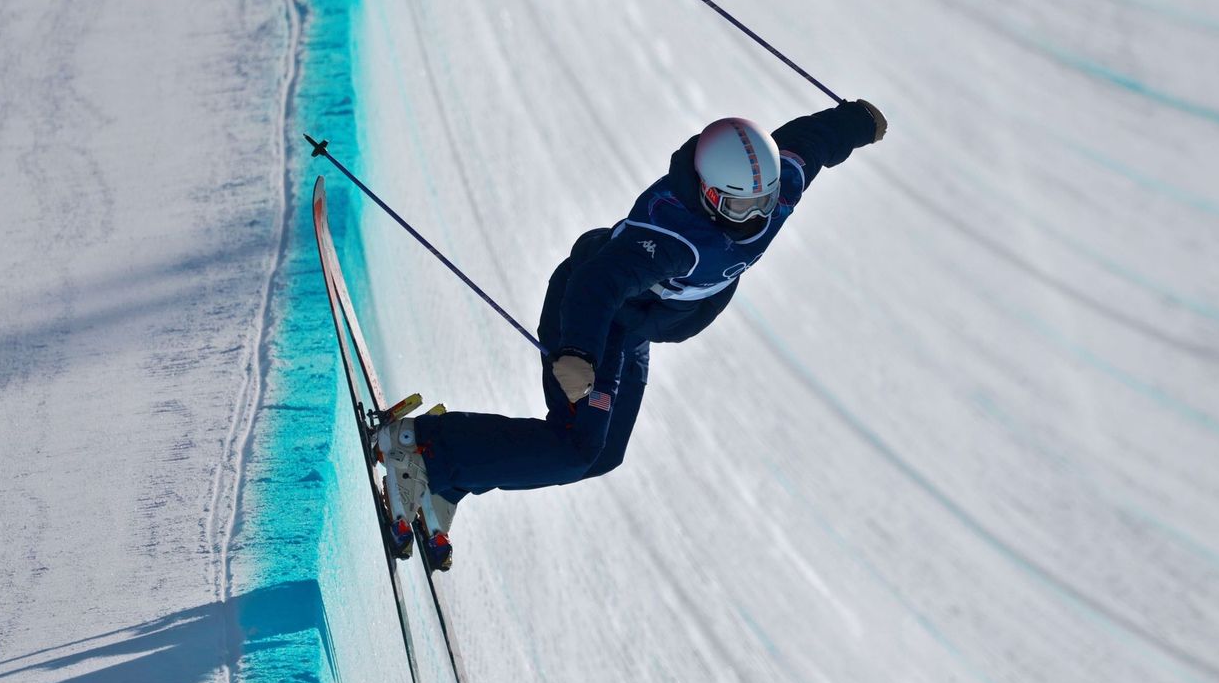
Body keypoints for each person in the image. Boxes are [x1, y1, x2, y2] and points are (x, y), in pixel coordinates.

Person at [375, 99, 887, 569]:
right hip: (592, 320)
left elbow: (810, 140)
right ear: (709, 196)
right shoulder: (676, 236)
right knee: (576, 446)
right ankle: (420, 446)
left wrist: (857, 124)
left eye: (763, 202)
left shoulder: (776, 191)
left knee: (604, 453)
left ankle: (448, 473)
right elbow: (599, 282)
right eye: (738, 209)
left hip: (633, 329)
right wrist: (577, 352)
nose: (754, 219)